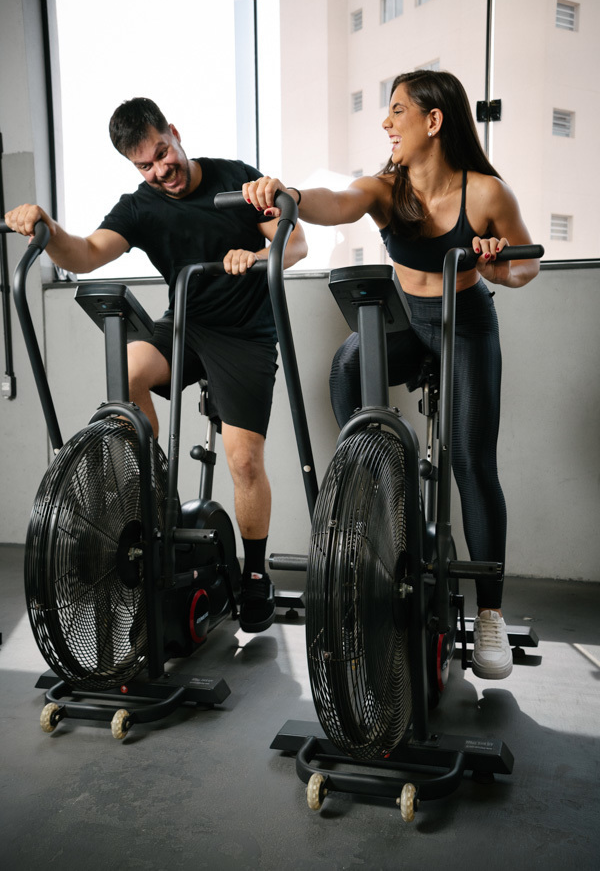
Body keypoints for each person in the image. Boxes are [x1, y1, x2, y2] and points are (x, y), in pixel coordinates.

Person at [242, 69, 540, 680]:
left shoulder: (486, 194)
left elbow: (526, 265)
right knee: (348, 365)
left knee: (471, 462)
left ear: (434, 120)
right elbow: (336, 202)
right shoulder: (385, 189)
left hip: (465, 326)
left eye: (397, 110)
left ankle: (490, 613)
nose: (386, 122)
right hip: (407, 322)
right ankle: (379, 490)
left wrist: (496, 267)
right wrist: (290, 195)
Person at [5, 97, 307, 635]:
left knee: (244, 462)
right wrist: (46, 228)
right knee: (128, 368)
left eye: (163, 153)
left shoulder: (236, 179)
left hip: (244, 335)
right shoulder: (140, 207)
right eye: (145, 165)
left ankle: (255, 573)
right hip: (186, 323)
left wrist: (258, 258)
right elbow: (86, 254)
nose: (161, 170)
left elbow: (296, 245)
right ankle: (155, 491)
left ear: (174, 132)